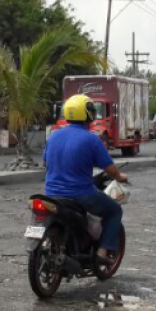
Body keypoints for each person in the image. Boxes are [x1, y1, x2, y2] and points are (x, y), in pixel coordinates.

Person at [44, 94, 129, 265]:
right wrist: (120, 176)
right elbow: (109, 167)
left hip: (51, 193)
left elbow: (46, 163)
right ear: (88, 114)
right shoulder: (91, 139)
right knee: (114, 211)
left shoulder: (53, 136)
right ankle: (102, 252)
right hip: (81, 194)